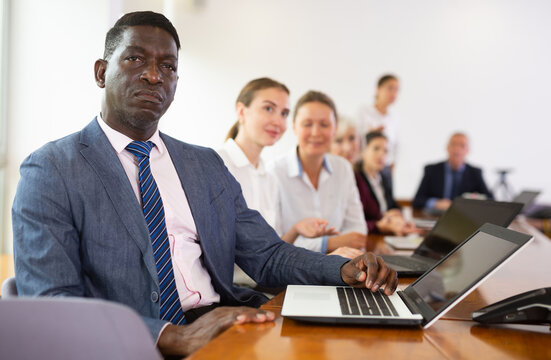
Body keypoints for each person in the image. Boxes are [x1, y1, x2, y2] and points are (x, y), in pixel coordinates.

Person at [11, 11, 398, 358]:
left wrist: (342, 270)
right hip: (133, 340)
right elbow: (51, 301)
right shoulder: (52, 169)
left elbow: (267, 255)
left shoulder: (203, 163)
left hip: (227, 323)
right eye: (135, 59)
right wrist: (172, 336)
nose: (153, 75)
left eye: (168, 66)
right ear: (100, 72)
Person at [218, 78, 362, 290]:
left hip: (267, 286)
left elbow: (272, 253)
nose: (278, 121)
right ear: (241, 111)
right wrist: (327, 256)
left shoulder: (265, 175)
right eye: (269, 108)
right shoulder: (217, 164)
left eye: (284, 113)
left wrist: (295, 230)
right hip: (235, 291)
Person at [269, 90, 369, 255]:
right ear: (294, 126)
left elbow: (358, 234)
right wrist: (328, 244)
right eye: (307, 124)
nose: (316, 133)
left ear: (335, 128)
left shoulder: (343, 168)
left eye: (324, 124)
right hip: (292, 273)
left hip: (340, 269)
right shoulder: (274, 172)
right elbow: (275, 243)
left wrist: (304, 243)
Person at [354, 132, 417, 235]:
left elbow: (392, 205)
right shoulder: (356, 180)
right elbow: (357, 222)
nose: (381, 154)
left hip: (385, 235)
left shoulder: (385, 177)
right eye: (376, 148)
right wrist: (385, 219)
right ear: (363, 151)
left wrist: (399, 217)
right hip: (369, 236)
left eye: (386, 151)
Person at [413, 132, 493, 211]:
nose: (457, 149)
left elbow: (490, 200)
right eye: (453, 144)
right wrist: (436, 203)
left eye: (462, 145)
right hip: (436, 217)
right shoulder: (431, 170)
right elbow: (417, 200)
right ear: (447, 147)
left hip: (464, 218)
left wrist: (473, 202)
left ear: (468, 150)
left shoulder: (475, 173)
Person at [357, 74, 400, 175]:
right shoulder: (364, 111)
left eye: (397, 90)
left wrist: (393, 164)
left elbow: (396, 145)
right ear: (378, 89)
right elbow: (356, 138)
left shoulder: (394, 118)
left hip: (385, 167)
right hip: (366, 167)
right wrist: (372, 134)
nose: (393, 93)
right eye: (390, 88)